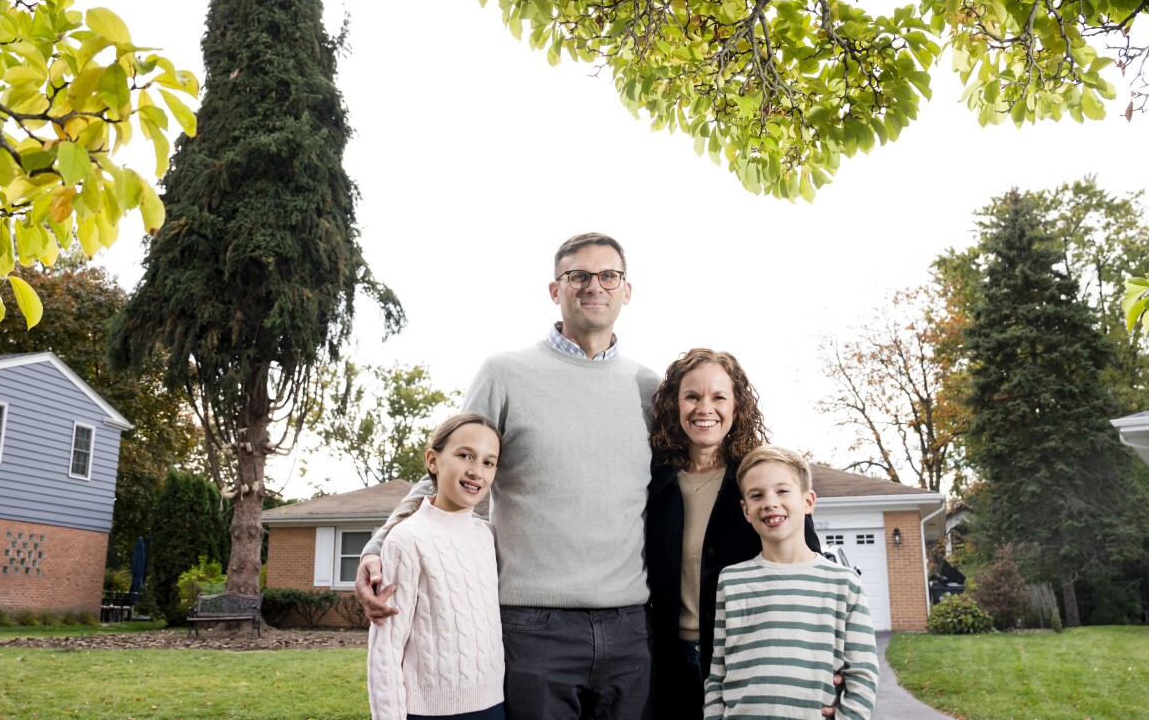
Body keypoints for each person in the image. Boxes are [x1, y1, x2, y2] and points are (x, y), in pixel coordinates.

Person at [357, 232, 661, 720]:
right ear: (554, 290)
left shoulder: (651, 387)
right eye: (578, 275)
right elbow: (450, 471)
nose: (593, 286)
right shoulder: (505, 373)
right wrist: (377, 547)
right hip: (532, 627)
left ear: (627, 290)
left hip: (630, 627)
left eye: (608, 275)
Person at [645, 349, 824, 719]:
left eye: (718, 397)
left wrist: (821, 660)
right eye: (691, 396)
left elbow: (808, 573)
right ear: (673, 406)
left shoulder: (761, 485)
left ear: (737, 407)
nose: (703, 408)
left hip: (749, 658)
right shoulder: (654, 484)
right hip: (667, 666)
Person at [703, 446, 879, 720]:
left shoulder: (844, 584)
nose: (770, 502)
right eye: (757, 495)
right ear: (746, 510)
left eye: (782, 491)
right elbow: (718, 674)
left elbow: (863, 677)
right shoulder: (731, 580)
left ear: (808, 502)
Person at [366, 413, 506, 720]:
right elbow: (386, 649)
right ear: (433, 460)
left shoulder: (487, 536)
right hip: (429, 712)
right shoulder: (406, 539)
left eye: (488, 462)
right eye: (464, 455)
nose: (476, 471)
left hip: (494, 707)